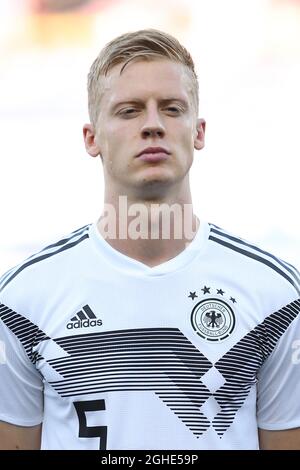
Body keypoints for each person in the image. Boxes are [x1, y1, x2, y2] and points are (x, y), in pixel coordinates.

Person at [0, 29, 299, 451]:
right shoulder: (22, 300)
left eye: (172, 109)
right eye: (129, 111)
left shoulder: (277, 295)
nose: (153, 125)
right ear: (92, 138)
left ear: (199, 131)